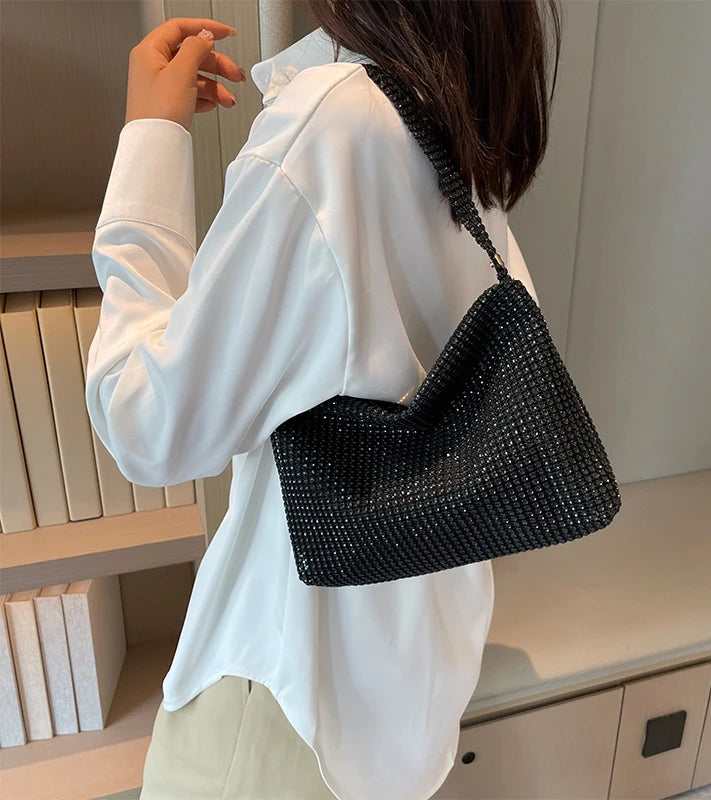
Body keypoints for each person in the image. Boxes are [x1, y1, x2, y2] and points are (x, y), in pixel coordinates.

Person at [86, 2, 561, 798]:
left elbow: (147, 427)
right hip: (406, 694)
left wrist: (151, 137)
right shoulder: (460, 121)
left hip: (284, 706)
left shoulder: (333, 123)